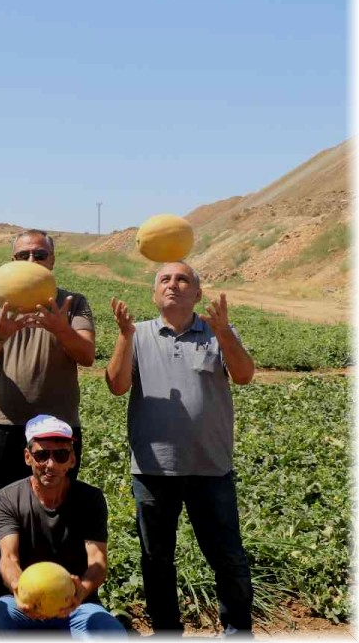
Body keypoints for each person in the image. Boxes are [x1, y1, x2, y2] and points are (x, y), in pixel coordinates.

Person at [104, 262, 255, 636]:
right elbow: (117, 385)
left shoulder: (218, 332)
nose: (173, 285)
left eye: (183, 279)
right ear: (155, 294)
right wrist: (123, 335)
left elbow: (245, 374)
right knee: (157, 560)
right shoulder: (136, 334)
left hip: (211, 468)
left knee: (228, 558)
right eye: (165, 280)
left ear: (198, 294)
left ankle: (238, 630)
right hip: (154, 470)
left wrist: (223, 333)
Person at [0, 229, 96, 601]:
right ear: (12, 261)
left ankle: (56, 597)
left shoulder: (72, 303)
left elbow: (87, 355)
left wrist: (60, 328)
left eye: (39, 255)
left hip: (56, 432)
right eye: (23, 255)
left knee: (58, 514)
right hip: (1, 426)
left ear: (52, 261)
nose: (31, 262)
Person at [0, 415, 126, 637]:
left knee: (110, 633)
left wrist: (80, 592)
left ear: (72, 460)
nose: (50, 465)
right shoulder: (7, 498)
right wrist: (19, 589)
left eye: (60, 455)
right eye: (42, 455)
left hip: (77, 605)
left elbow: (98, 562)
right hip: (24, 606)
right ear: (27, 457)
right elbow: (8, 558)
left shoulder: (90, 498)